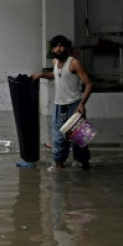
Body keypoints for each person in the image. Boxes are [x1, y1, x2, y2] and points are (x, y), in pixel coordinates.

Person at [31, 35, 93, 170]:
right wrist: (41, 75)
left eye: (60, 46)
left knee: (80, 141)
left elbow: (89, 84)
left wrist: (82, 104)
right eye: (55, 47)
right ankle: (59, 169)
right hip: (59, 106)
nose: (57, 49)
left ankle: (85, 167)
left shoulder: (74, 63)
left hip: (75, 105)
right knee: (58, 139)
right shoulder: (54, 62)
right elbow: (56, 75)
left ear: (67, 47)